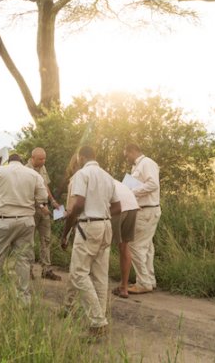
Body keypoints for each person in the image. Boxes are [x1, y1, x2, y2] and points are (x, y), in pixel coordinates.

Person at [60, 145, 121, 338]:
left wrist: (66, 232)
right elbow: (118, 206)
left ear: (80, 157)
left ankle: (97, 321)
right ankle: (99, 318)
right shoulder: (106, 176)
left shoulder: (82, 174)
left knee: (78, 274)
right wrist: (101, 215)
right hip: (105, 226)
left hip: (88, 227)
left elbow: (77, 204)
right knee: (100, 276)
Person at [0, 152, 48, 303]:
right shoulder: (33, 174)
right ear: (22, 161)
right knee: (23, 259)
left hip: (4, 220)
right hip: (26, 221)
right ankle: (24, 299)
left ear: (8, 161)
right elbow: (43, 197)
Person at [124, 143, 160, 294]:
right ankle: (149, 279)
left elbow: (153, 184)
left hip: (147, 210)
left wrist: (132, 191)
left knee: (135, 246)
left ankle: (143, 282)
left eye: (126, 155)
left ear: (133, 151)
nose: (126, 158)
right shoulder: (137, 167)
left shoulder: (147, 163)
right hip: (144, 210)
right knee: (147, 247)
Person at [26, 147, 62, 281]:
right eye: (41, 159)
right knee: (29, 241)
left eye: (44, 158)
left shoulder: (42, 167)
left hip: (44, 208)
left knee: (46, 240)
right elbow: (28, 192)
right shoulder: (26, 170)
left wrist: (52, 201)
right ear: (33, 158)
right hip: (32, 209)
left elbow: (45, 186)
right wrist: (40, 205)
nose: (43, 161)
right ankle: (28, 269)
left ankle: (46, 270)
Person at [110, 179, 140, 299]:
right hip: (132, 205)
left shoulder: (83, 177)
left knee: (103, 244)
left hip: (119, 207)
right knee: (124, 246)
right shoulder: (110, 178)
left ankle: (96, 285)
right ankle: (124, 288)